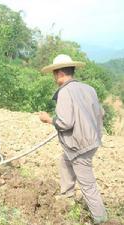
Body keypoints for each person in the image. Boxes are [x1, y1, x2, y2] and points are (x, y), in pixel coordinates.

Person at [39, 54, 107, 224]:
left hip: (80, 146)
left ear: (59, 73)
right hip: (93, 141)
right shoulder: (89, 89)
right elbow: (102, 113)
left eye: (54, 73)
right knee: (64, 160)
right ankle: (67, 196)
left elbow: (65, 123)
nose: (54, 77)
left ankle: (102, 219)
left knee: (88, 185)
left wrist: (48, 119)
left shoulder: (65, 92)